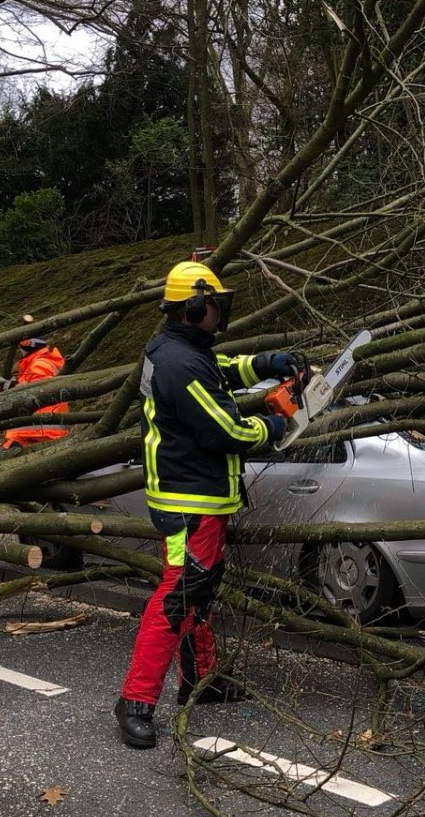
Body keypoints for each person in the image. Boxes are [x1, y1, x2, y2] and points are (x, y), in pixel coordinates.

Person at [114, 260, 299, 749]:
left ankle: (201, 680)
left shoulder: (178, 350)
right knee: (177, 595)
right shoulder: (180, 364)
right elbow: (227, 430)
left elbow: (219, 372)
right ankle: (135, 701)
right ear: (197, 306)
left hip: (197, 497)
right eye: (215, 303)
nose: (220, 312)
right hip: (188, 502)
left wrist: (266, 364)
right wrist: (274, 426)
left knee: (199, 590)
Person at [0, 338, 70, 448]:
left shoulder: (39, 364)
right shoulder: (35, 364)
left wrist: (13, 388)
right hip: (35, 430)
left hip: (39, 430)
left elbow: (39, 393)